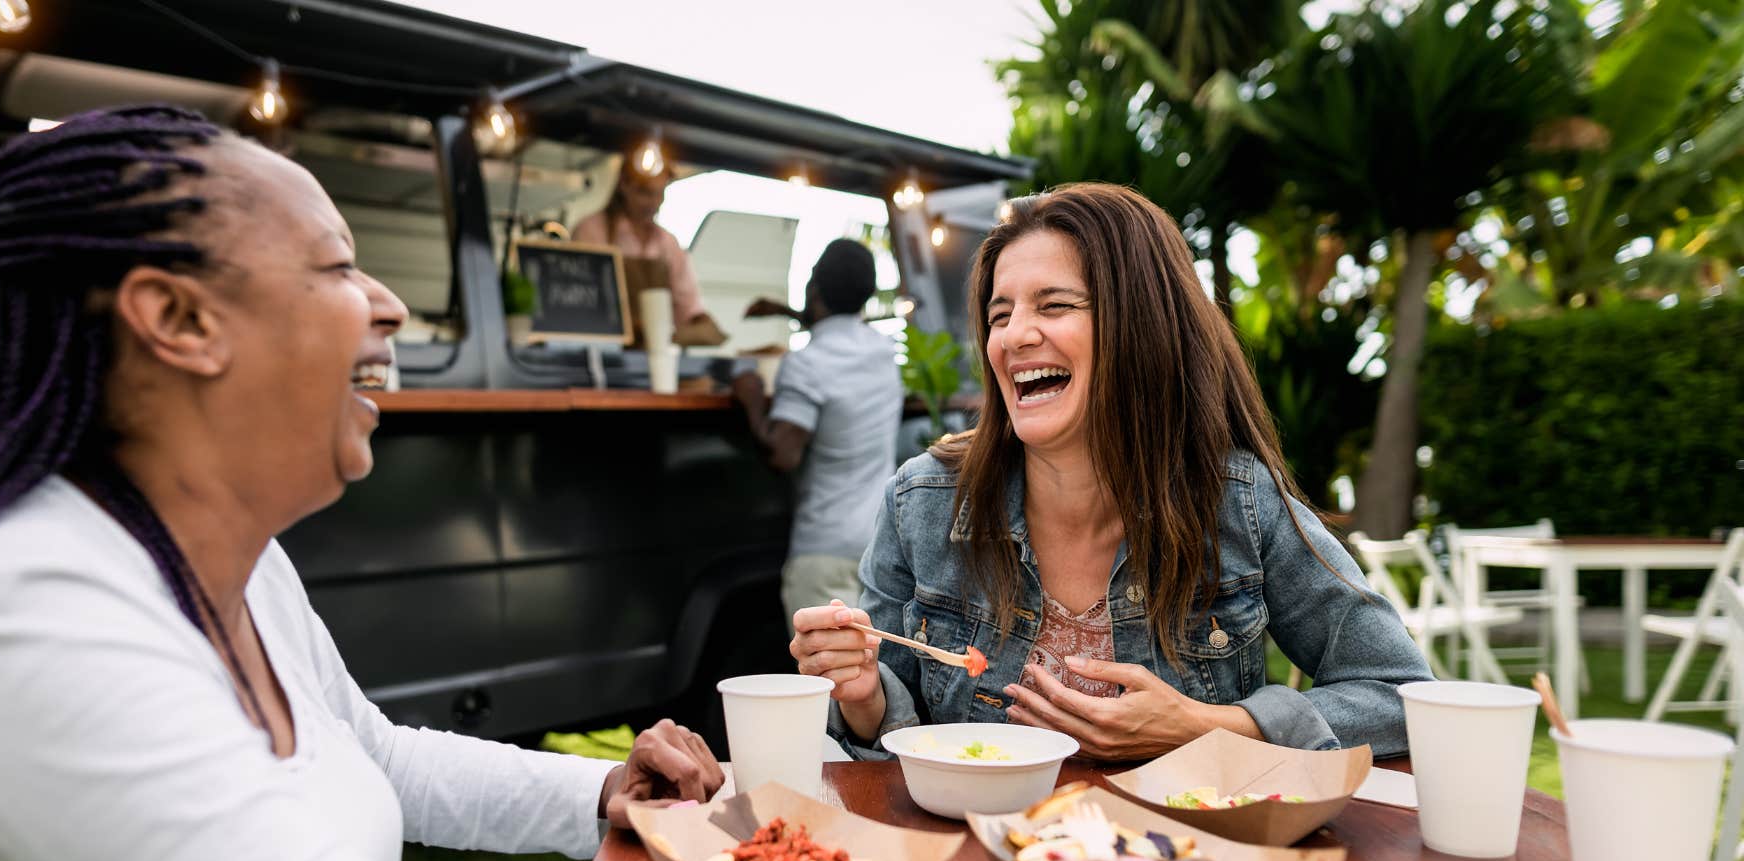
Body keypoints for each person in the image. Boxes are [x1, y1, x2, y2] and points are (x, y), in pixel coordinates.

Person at [0, 109, 1180, 861]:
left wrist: (600, 796)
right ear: (178, 322)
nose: (389, 312)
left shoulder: (228, 569)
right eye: (339, 270)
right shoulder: (32, 609)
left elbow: (385, 765)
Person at [788, 183, 1432, 763]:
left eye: (1054, 305)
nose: (1014, 336)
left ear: (1140, 325)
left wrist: (1207, 727)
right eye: (999, 314)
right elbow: (891, 731)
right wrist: (863, 694)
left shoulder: (1237, 502)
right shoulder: (922, 501)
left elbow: (1402, 694)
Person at [733, 239, 905, 624]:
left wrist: (752, 400)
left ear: (814, 290)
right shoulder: (883, 354)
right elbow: (833, 325)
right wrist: (789, 312)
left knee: (822, 681)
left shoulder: (806, 364)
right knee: (869, 678)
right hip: (878, 541)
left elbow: (783, 454)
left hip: (823, 553)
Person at [571, 160, 726, 346]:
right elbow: (582, 298)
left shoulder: (668, 243)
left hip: (656, 351)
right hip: (603, 350)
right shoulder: (591, 230)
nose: (654, 202)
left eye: (660, 193)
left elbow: (688, 304)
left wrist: (701, 325)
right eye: (645, 193)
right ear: (623, 185)